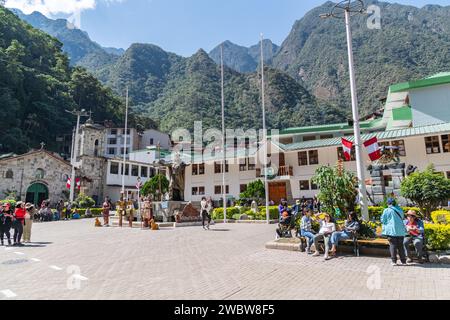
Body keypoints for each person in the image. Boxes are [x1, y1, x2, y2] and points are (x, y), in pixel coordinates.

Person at [381, 198, 407, 266]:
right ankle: (403, 261)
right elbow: (402, 217)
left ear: (388, 203)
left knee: (393, 246)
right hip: (401, 231)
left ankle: (394, 261)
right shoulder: (400, 210)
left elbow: (383, 220)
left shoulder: (386, 210)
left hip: (391, 231)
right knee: (400, 246)